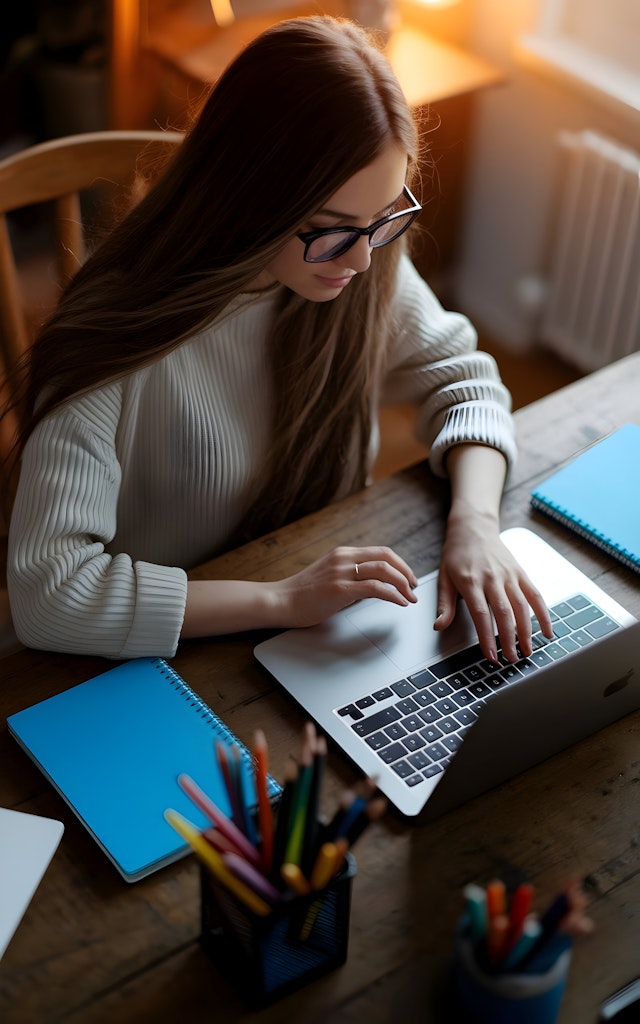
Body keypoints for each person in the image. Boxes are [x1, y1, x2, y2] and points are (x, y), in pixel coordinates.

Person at [5, 15, 552, 663]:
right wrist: (280, 600)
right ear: (249, 194)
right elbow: (49, 594)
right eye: (334, 227)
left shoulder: (352, 264)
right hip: (162, 653)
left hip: (326, 626)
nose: (363, 261)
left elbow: (464, 379)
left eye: (384, 218)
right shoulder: (116, 332)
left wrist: (475, 525)